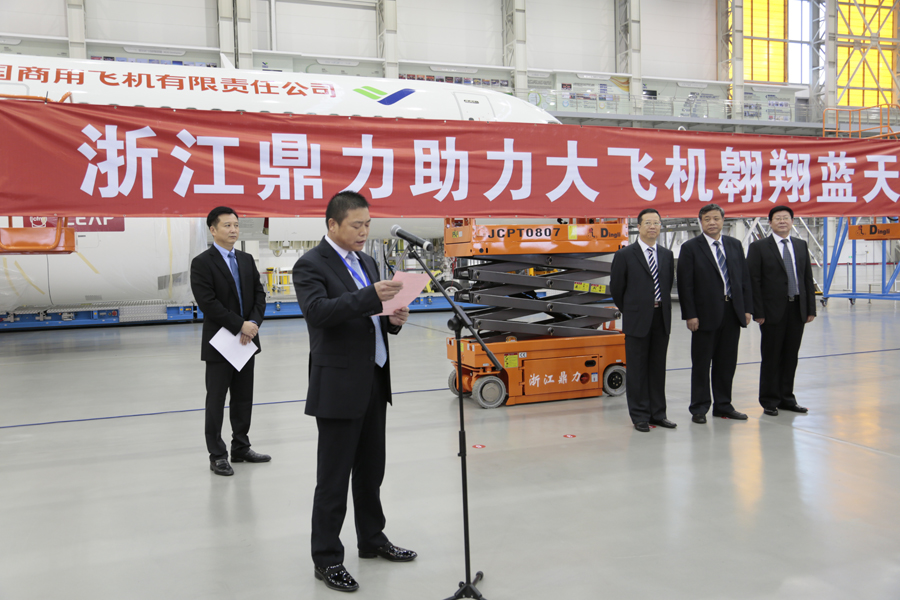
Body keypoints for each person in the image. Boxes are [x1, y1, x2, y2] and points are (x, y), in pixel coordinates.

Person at [293, 191, 415, 594]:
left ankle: (372, 538)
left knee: (371, 470)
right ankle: (327, 558)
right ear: (332, 224)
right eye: (356, 225)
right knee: (333, 478)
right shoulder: (311, 264)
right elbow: (318, 313)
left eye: (367, 224)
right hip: (338, 385)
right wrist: (370, 296)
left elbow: (371, 318)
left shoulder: (367, 262)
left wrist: (393, 319)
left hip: (374, 379)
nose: (364, 232)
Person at [190, 206, 270, 476]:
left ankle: (241, 447)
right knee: (216, 400)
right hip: (220, 344)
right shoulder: (202, 263)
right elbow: (208, 303)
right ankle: (217, 454)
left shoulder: (246, 260)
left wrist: (253, 324)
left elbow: (259, 295)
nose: (233, 230)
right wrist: (240, 325)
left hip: (246, 342)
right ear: (213, 230)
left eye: (236, 225)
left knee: (243, 398)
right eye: (227, 225)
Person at [677, 204, 753, 424]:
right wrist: (690, 315)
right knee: (701, 364)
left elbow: (744, 279)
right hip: (704, 315)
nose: (712, 222)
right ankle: (699, 408)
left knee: (727, 363)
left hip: (732, 312)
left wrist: (747, 308)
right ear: (701, 222)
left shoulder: (734, 245)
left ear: (723, 220)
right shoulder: (690, 248)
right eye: (707, 219)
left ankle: (723, 405)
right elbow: (685, 285)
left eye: (716, 218)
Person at [610, 208, 676, 432]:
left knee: (658, 368)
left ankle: (658, 413)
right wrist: (632, 310)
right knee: (637, 369)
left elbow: (666, 285)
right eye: (647, 223)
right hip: (637, 319)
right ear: (638, 226)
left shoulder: (666, 255)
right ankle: (639, 415)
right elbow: (617, 289)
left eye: (656, 223)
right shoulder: (625, 255)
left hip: (661, 317)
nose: (652, 227)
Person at [747, 205, 816, 416]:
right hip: (771, 311)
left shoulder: (800, 245)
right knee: (772, 356)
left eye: (786, 218)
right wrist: (758, 311)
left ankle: (787, 398)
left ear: (792, 221)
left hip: (797, 308)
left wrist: (810, 308)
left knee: (790, 356)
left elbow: (807, 278)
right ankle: (769, 400)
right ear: (770, 222)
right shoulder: (759, 247)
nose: (782, 221)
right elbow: (753, 281)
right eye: (778, 218)